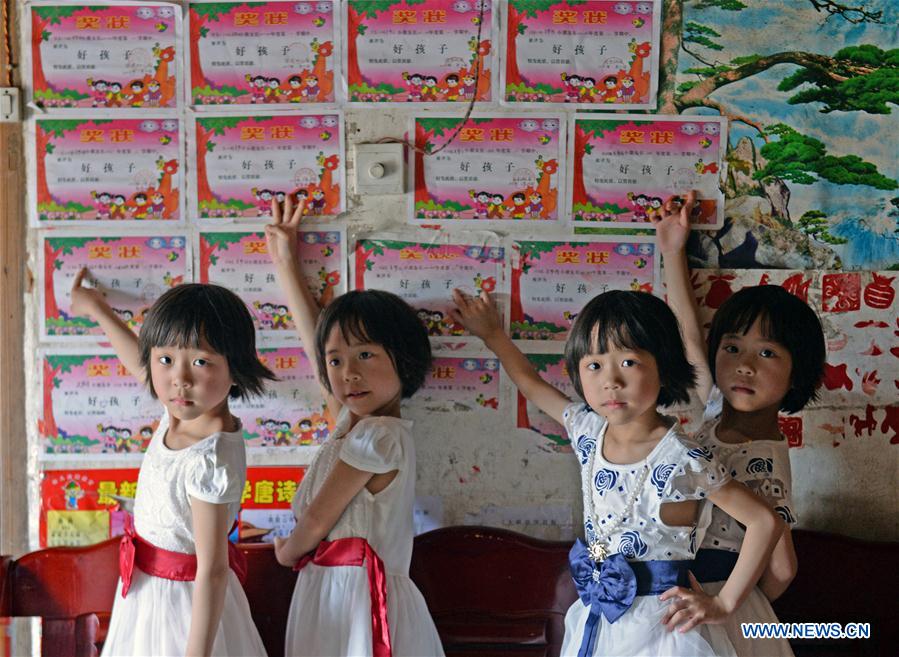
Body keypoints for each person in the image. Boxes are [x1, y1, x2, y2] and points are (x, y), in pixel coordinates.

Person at [450, 288, 784, 656]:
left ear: (663, 364)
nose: (610, 380)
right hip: (602, 621)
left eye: (628, 362)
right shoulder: (587, 430)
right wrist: (493, 335)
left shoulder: (683, 457)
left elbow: (764, 522)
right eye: (594, 365)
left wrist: (724, 604)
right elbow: (531, 384)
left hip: (664, 630)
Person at [265, 196, 444, 657]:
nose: (349, 374)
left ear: (403, 361)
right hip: (334, 593)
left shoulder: (377, 436)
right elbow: (316, 344)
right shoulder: (352, 421)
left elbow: (319, 518)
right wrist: (286, 261)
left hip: (357, 600)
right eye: (338, 362)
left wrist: (287, 554)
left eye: (366, 355)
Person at [654, 191, 826, 656]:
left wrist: (740, 607)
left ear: (797, 375)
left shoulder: (764, 460)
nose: (744, 365)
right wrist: (672, 249)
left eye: (767, 353)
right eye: (733, 348)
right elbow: (690, 333)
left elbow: (784, 568)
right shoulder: (715, 406)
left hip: (716, 600)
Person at [70, 269, 272, 657]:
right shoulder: (182, 414)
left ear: (237, 367)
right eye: (166, 359)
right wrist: (97, 308)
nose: (179, 379)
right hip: (147, 594)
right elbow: (143, 364)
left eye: (200, 362)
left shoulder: (209, 458)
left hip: (184, 608)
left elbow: (212, 570)